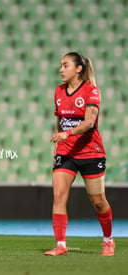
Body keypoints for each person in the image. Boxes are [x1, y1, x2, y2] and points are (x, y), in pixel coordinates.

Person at [45, 52, 114, 256]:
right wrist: (60, 140)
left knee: (98, 201)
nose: (61, 70)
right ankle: (60, 245)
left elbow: (89, 123)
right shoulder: (58, 91)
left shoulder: (91, 91)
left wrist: (67, 133)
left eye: (65, 65)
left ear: (78, 69)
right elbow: (60, 121)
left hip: (90, 152)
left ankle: (108, 240)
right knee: (58, 195)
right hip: (66, 153)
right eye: (60, 65)